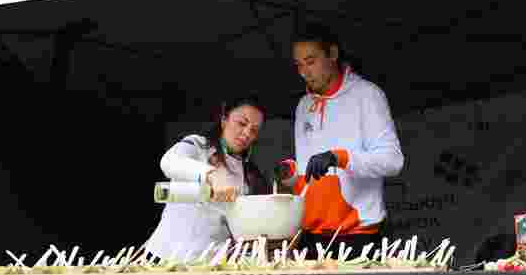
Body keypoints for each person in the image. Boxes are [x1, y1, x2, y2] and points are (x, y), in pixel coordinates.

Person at [275, 23, 404, 256]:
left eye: (310, 61)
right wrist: (291, 173)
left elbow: (393, 161)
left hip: (358, 235)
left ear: (332, 54)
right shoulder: (303, 105)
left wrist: (340, 158)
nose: (304, 72)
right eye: (298, 65)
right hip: (311, 235)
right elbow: (310, 171)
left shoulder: (367, 95)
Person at [145, 97, 271, 261]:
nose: (247, 133)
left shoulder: (249, 174)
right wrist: (210, 175)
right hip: (165, 255)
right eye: (242, 123)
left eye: (254, 130)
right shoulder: (198, 145)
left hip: (208, 263)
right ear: (224, 120)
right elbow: (169, 162)